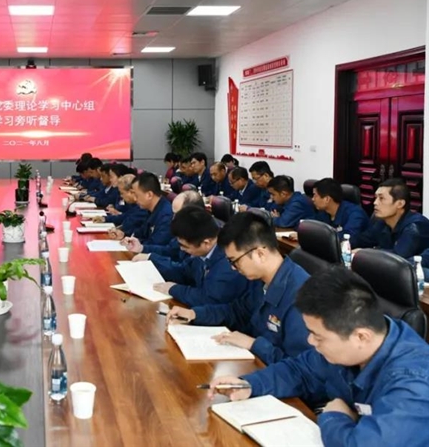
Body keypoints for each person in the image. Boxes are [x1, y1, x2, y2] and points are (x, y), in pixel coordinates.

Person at [209, 267, 429, 447]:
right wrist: (249, 385)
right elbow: (300, 370)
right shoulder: (353, 345)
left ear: (361, 337)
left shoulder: (413, 385)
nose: (310, 341)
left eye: (318, 336)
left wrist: (335, 417)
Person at [167, 211, 312, 364]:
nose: (233, 268)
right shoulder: (262, 280)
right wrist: (194, 314)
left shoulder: (301, 298)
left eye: (234, 261)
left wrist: (254, 344)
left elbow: (300, 367)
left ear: (260, 254)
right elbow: (236, 311)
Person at [149, 206, 251, 307]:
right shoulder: (204, 250)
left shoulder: (228, 263)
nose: (181, 249)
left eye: (185, 246)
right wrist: (152, 259)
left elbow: (208, 299)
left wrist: (174, 289)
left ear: (206, 243)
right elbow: (184, 272)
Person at [351, 178, 429, 259]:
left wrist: (365, 253)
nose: (375, 202)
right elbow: (361, 240)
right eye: (376, 198)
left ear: (400, 204)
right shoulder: (382, 222)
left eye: (381, 198)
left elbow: (398, 258)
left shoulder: (414, 226)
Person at [126, 190, 206, 263]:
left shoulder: (201, 238)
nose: (173, 218)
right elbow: (170, 250)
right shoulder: (183, 229)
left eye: (177, 215)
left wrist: (151, 258)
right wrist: (142, 248)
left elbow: (181, 268)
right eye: (173, 213)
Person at [112, 172, 173, 246]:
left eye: (137, 195)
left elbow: (155, 244)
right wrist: (124, 235)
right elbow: (141, 233)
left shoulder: (166, 215)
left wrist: (137, 245)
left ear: (149, 195)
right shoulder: (150, 209)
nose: (135, 199)